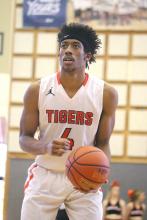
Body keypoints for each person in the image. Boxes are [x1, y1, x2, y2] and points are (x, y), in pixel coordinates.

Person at [19, 23, 118, 220]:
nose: (68, 50)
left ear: (87, 55)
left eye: (75, 46)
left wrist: (102, 169)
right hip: (46, 173)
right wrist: (46, 147)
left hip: (84, 177)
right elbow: (24, 139)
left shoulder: (105, 93)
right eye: (64, 46)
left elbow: (103, 143)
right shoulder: (37, 90)